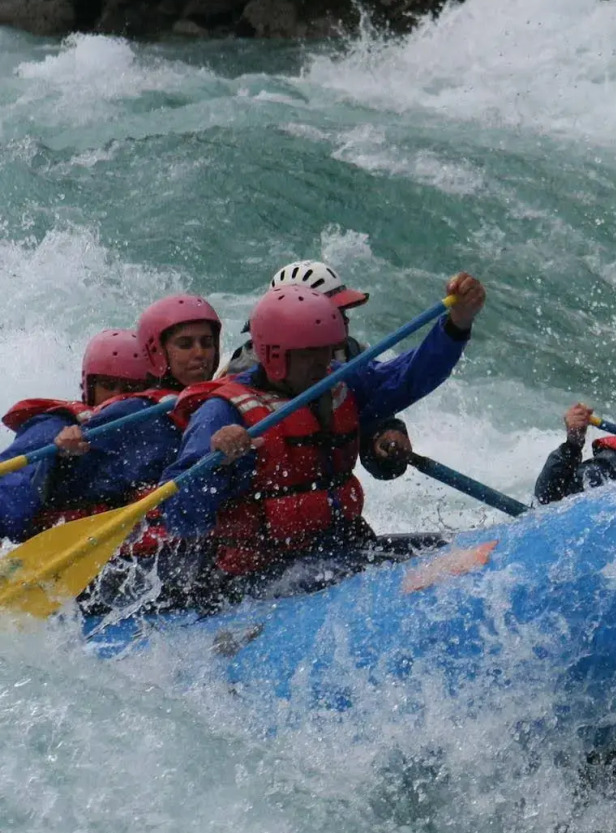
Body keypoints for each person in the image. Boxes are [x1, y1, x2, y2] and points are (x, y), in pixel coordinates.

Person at [155, 273, 485, 607]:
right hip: (261, 576)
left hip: (343, 545)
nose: (323, 361)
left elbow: (408, 376)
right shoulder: (222, 413)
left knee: (454, 550)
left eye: (327, 349)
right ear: (274, 356)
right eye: (310, 353)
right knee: (356, 574)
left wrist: (455, 326)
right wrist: (219, 462)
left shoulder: (339, 383)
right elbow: (179, 514)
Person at [224, 260, 414, 482]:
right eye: (337, 313)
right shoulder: (252, 368)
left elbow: (372, 412)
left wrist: (385, 434)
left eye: (343, 313)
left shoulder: (352, 353)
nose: (345, 321)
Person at [0, 327, 175, 543]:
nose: (118, 397)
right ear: (88, 387)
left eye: (131, 388)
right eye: (108, 386)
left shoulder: (156, 427)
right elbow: (14, 481)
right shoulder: (57, 425)